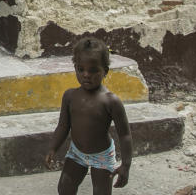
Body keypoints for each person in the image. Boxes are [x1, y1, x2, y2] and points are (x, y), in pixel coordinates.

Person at [44, 37, 132, 195]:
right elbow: (63, 126)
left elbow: (124, 135)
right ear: (75, 68)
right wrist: (52, 148)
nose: (86, 75)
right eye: (81, 69)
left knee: (101, 192)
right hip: (77, 153)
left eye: (93, 70)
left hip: (102, 156)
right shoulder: (70, 96)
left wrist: (126, 165)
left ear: (105, 71)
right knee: (65, 188)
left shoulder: (111, 101)